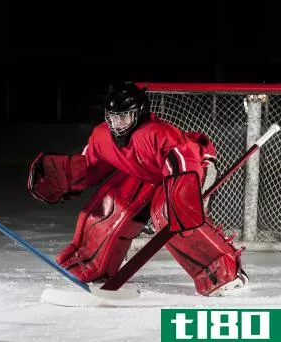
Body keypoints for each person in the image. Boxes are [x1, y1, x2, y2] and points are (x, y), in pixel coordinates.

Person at [28, 81, 249, 297]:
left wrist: (180, 193)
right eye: (113, 117)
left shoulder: (158, 133)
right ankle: (93, 264)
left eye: (124, 116)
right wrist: (66, 175)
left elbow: (184, 159)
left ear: (139, 113)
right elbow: (91, 164)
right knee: (110, 206)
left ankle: (224, 272)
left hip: (190, 170)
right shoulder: (102, 135)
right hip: (149, 172)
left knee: (170, 213)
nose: (117, 123)